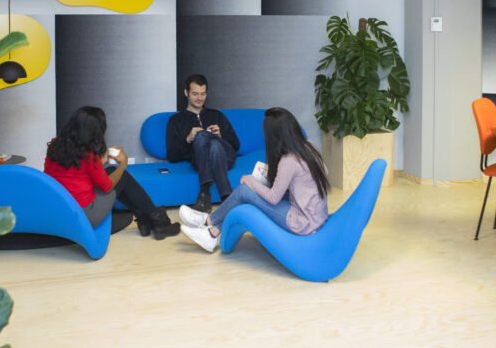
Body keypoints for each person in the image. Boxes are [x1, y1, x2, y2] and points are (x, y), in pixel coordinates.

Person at [177, 107, 329, 253]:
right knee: (250, 195)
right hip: (317, 216)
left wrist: (251, 180)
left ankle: (208, 222)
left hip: (302, 223)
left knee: (245, 190)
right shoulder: (310, 146)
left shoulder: (289, 160)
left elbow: (273, 198)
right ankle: (212, 231)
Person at [44, 106, 180, 240]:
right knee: (122, 176)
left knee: (111, 171)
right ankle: (160, 222)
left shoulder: (55, 145)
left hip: (61, 209)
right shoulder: (88, 155)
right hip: (85, 214)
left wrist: (101, 161)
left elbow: (77, 173)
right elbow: (107, 186)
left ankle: (144, 219)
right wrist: (123, 163)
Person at [166, 73, 240, 213]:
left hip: (226, 157)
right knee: (212, 145)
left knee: (211, 141)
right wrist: (188, 139)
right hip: (199, 160)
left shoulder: (217, 115)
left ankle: (204, 193)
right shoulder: (176, 120)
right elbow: (172, 156)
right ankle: (226, 196)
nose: (200, 98)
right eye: (195, 94)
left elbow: (236, 145)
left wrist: (220, 136)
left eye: (203, 94)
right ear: (186, 93)